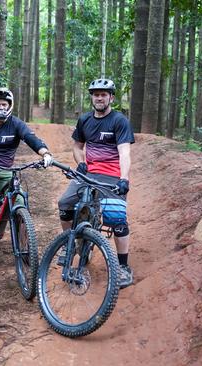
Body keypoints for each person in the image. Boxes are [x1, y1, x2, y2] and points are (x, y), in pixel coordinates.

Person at [57, 78, 135, 289]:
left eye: (103, 94)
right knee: (65, 204)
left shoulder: (119, 121)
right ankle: (70, 244)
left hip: (112, 177)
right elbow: (77, 146)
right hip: (88, 174)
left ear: (111, 97)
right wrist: (81, 162)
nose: (99, 98)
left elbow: (124, 152)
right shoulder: (85, 120)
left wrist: (124, 178)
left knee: (116, 218)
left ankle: (123, 266)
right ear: (91, 97)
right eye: (95, 94)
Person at [0, 87, 53, 245]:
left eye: (4, 104)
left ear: (10, 105)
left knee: (19, 202)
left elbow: (31, 138)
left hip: (6, 170)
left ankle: (25, 245)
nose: (1, 108)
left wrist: (45, 153)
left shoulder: (16, 124)